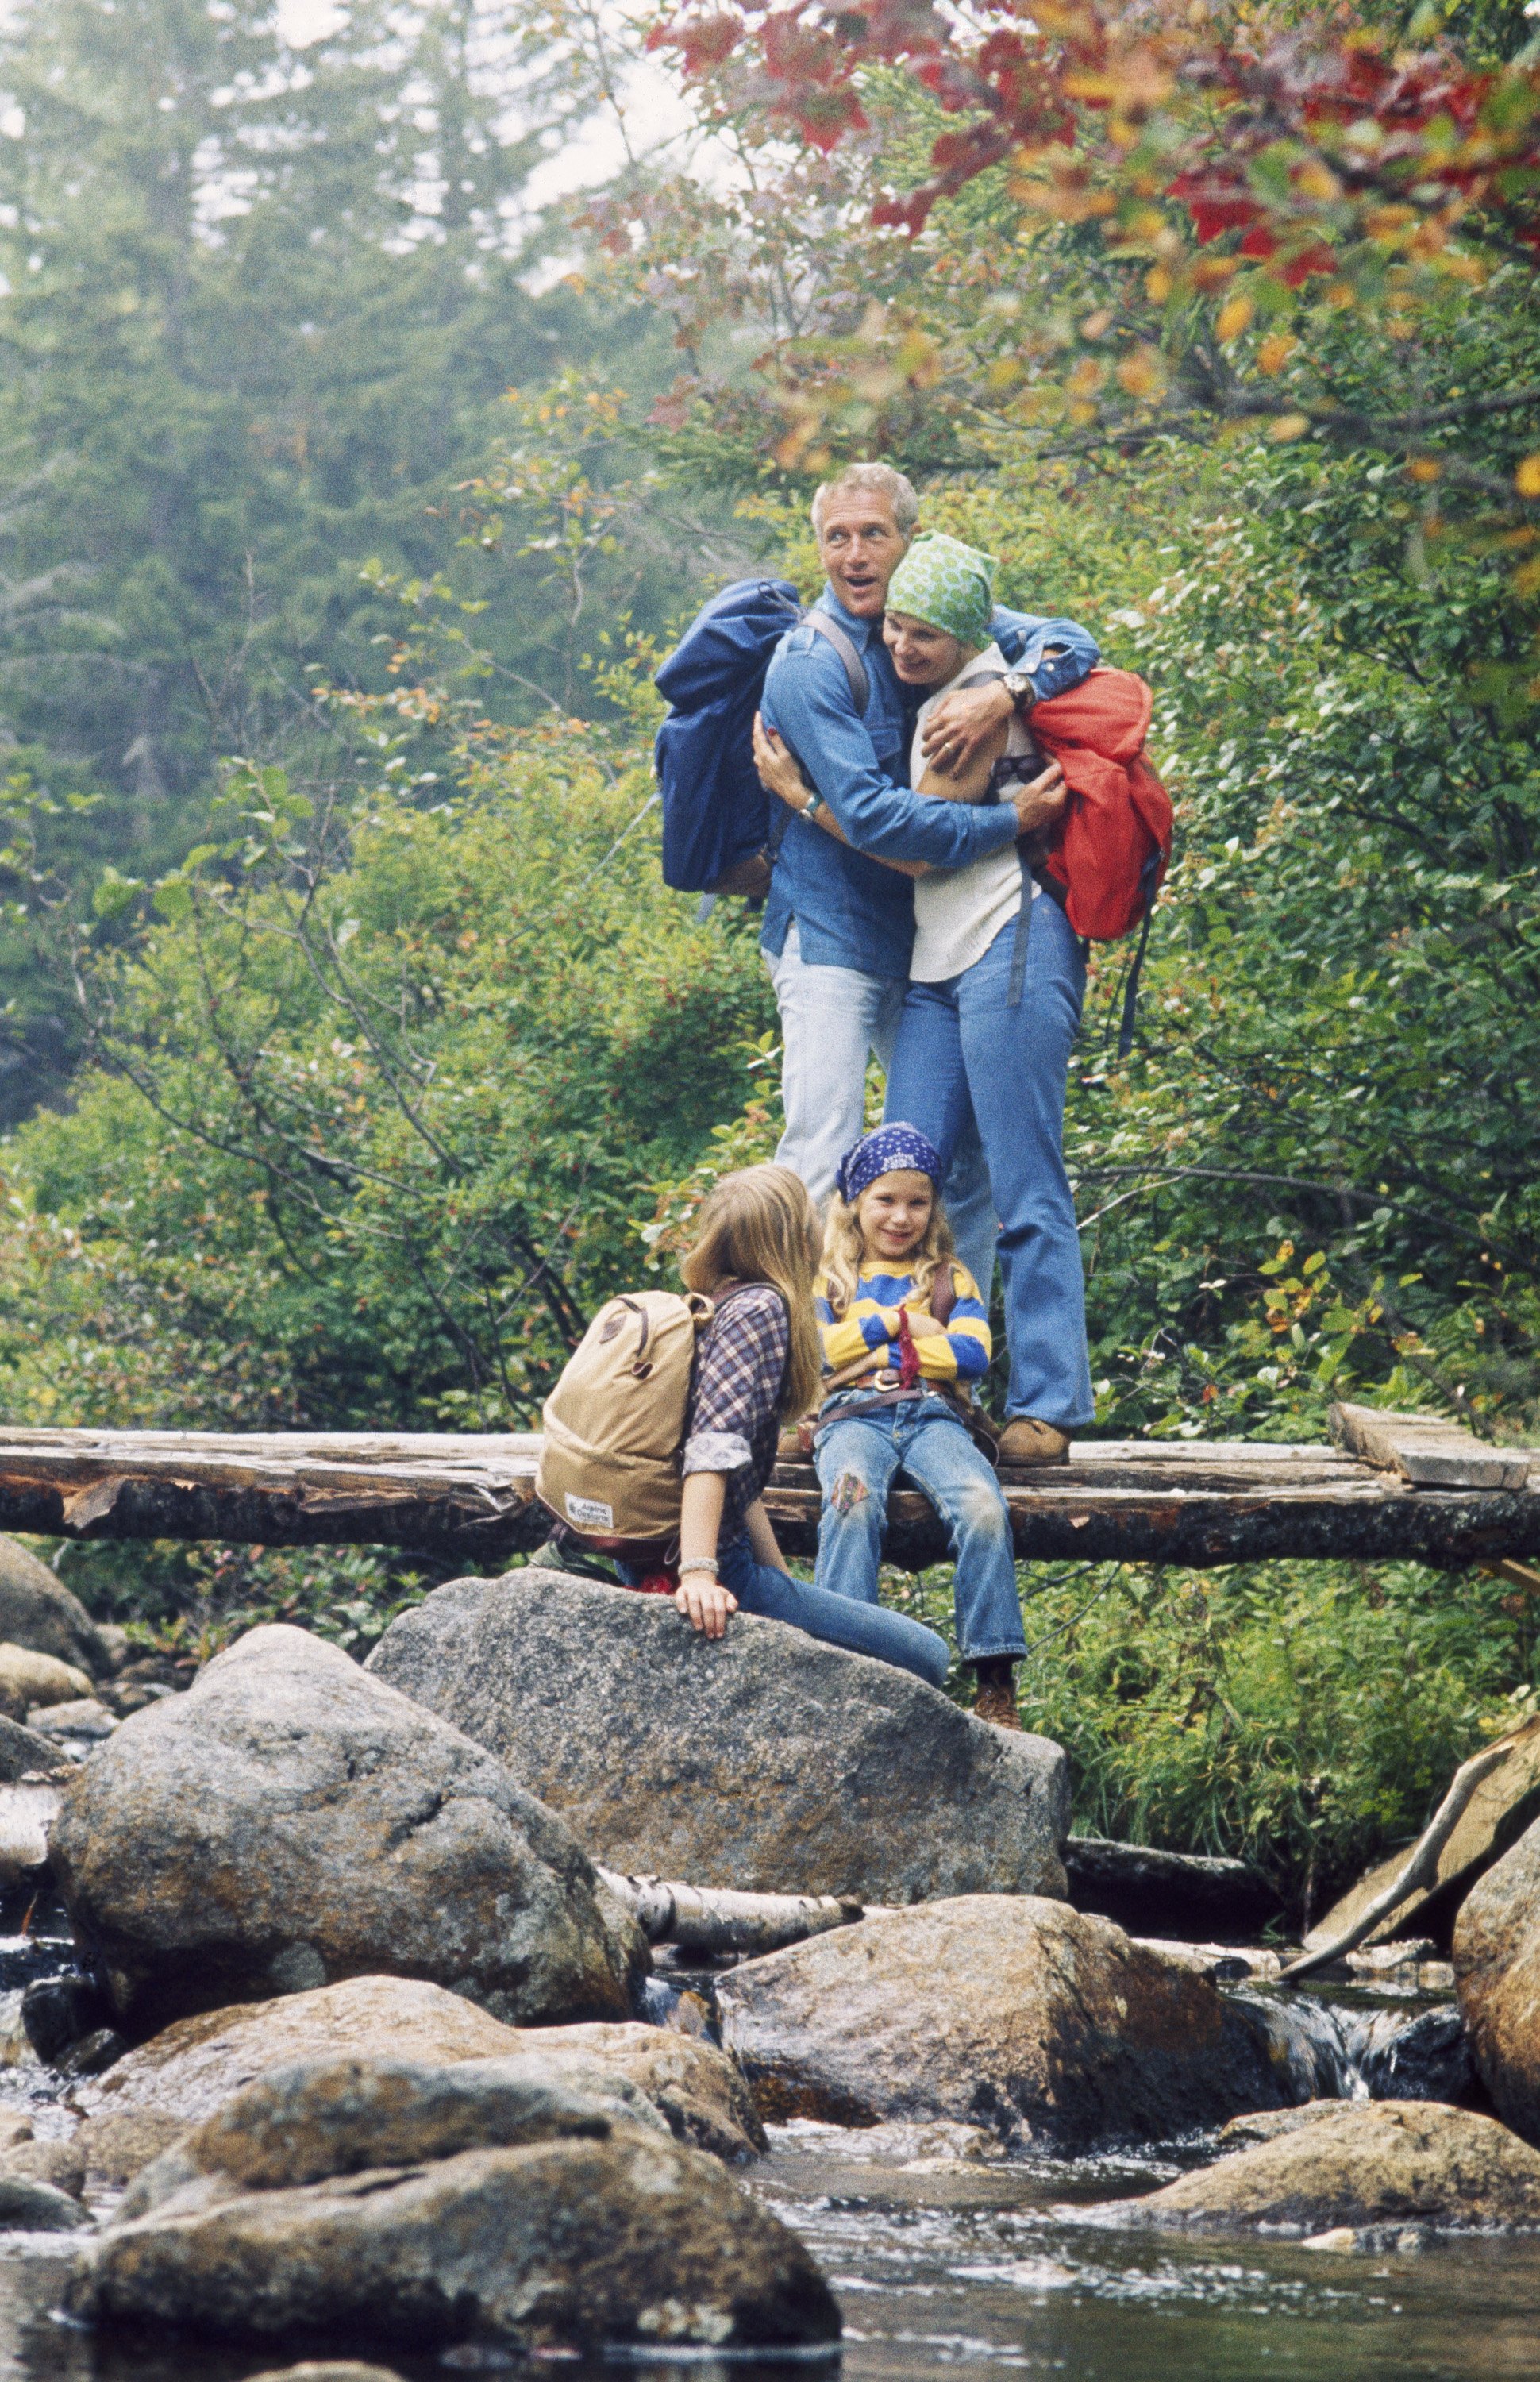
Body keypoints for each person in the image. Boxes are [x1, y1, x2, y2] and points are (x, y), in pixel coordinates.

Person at [756, 531, 1093, 1465]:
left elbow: (903, 844)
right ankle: (880, 1382)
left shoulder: (965, 707)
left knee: (1026, 1176)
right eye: (895, 629)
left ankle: (1049, 1406)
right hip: (936, 964)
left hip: (1009, 942)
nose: (903, 649)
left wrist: (803, 800)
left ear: (966, 635)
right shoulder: (959, 681)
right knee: (899, 1181)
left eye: (924, 638)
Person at [637, 1161, 953, 1686]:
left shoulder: (711, 1303)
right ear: (794, 1238)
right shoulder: (761, 1309)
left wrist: (783, 1588)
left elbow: (741, 1475)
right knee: (929, 1657)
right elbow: (711, 1449)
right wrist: (698, 1573)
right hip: (706, 1560)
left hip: (659, 1545)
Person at [812, 1125, 1028, 1729]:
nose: (901, 1217)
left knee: (984, 1506)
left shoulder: (948, 1278)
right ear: (856, 1201)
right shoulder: (830, 1280)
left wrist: (873, 1352)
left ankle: (994, 1676)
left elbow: (972, 1355)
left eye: (917, 1202)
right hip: (854, 1419)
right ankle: (841, 1668)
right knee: (851, 1502)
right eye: (886, 1199)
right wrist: (893, 1330)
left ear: (933, 1209)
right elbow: (819, 1353)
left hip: (933, 1415)